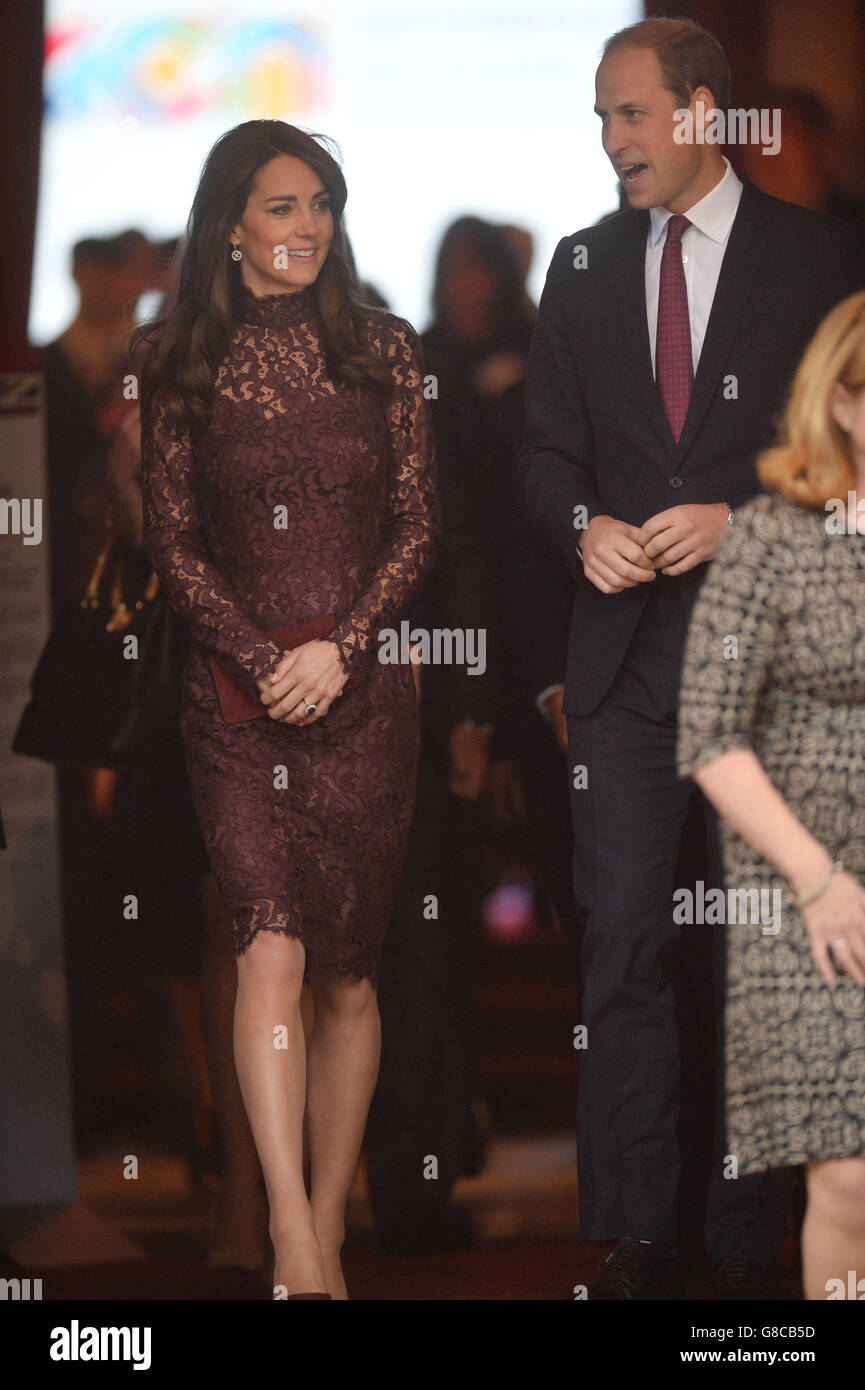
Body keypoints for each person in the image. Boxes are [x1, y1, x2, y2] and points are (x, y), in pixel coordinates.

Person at [519, 16, 865, 1298]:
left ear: (707, 112)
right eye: (602, 120)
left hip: (772, 669)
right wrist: (582, 527)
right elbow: (543, 456)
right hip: (621, 670)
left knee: (757, 955)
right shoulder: (580, 264)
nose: (613, 144)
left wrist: (749, 516)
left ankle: (738, 1238)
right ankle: (638, 1234)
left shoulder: (827, 254)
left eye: (632, 115)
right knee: (621, 947)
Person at [137, 119, 440, 1300]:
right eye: (280, 205)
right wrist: (269, 659)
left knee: (349, 975)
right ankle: (294, 1243)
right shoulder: (177, 359)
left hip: (364, 701)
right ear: (229, 226)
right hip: (235, 700)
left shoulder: (381, 348)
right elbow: (172, 540)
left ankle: (324, 1214)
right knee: (266, 944)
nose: (306, 225)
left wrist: (340, 649)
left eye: (320, 202)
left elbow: (419, 526)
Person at [676, 290, 865, 1300]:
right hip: (804, 889)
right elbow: (709, 733)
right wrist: (821, 880)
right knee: (846, 1175)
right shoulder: (769, 536)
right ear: (839, 403)